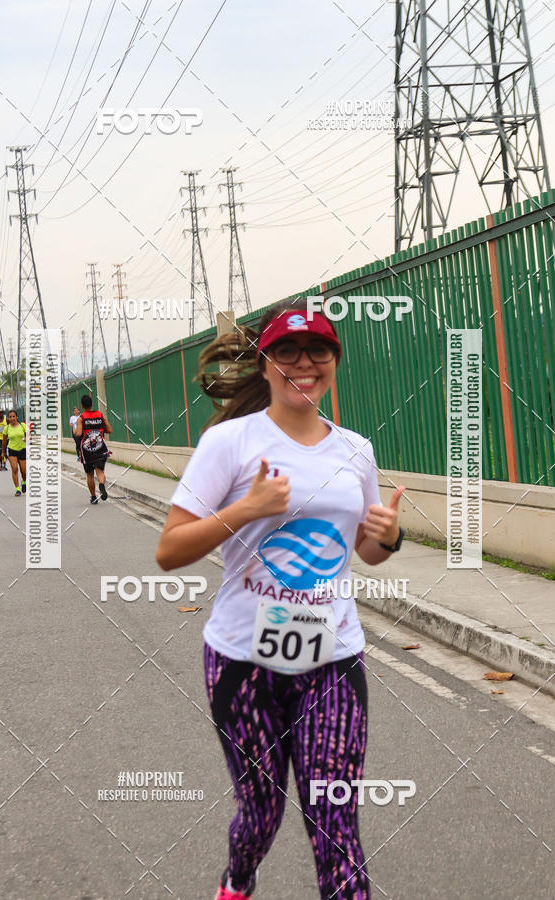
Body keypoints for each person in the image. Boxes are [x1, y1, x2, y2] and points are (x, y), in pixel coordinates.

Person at [156, 301, 405, 900]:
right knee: (260, 814)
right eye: (287, 352)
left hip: (333, 659)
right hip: (245, 661)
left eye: (318, 350)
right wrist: (246, 509)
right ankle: (239, 877)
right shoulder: (230, 443)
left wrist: (388, 539)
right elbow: (169, 551)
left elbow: (366, 552)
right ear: (266, 365)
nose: (304, 362)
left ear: (334, 364)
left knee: (334, 822)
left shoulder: (355, 450)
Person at [74, 394, 112, 504]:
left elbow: (79, 433)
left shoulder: (82, 418)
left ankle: (93, 497)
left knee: (90, 474)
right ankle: (101, 484)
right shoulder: (99, 415)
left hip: (87, 451)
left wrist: (76, 428)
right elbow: (109, 430)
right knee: (100, 471)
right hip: (100, 448)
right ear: (92, 404)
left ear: (82, 405)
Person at [2, 410, 27, 496]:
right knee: (15, 468)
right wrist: (3, 452)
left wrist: (27, 438)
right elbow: (4, 441)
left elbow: (29, 435)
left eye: (13, 416)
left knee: (24, 471)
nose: (12, 418)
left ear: (16, 417)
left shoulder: (22, 425)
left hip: (22, 449)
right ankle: (17, 489)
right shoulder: (7, 428)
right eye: (10, 417)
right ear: (8, 418)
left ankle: (24, 482)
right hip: (12, 450)